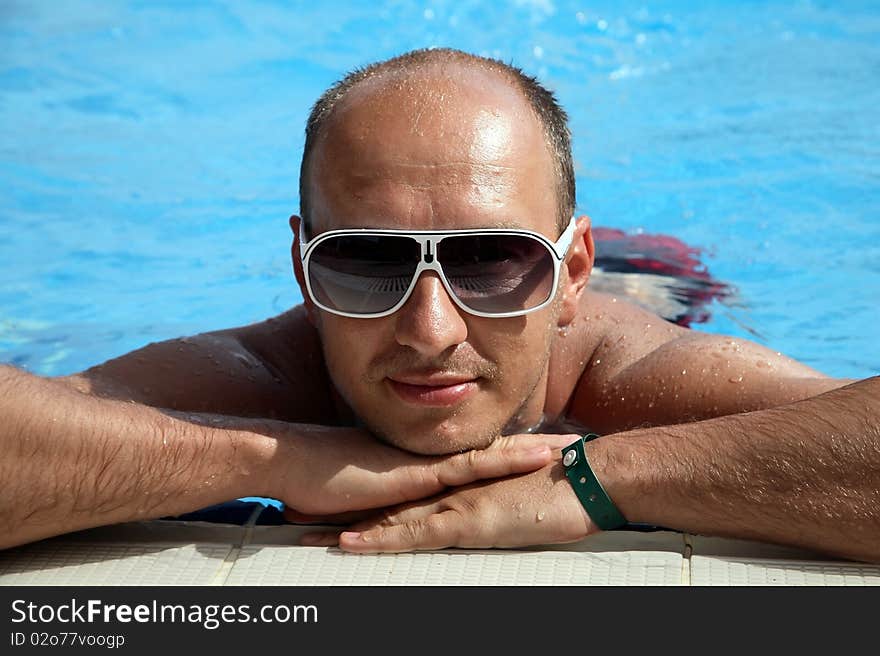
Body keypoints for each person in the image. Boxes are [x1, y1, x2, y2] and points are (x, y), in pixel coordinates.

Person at [1, 48, 877, 562]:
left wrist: (604, 476)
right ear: (303, 269)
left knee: (667, 277)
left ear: (572, 272)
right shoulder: (261, 382)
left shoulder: (632, 375)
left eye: (497, 260)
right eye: (366, 263)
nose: (431, 330)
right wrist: (273, 460)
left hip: (656, 292)